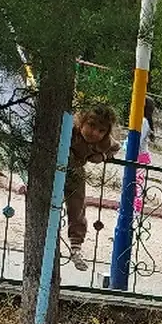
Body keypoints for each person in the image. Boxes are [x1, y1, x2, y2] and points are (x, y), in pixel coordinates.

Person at [63, 102, 120, 271]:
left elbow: (115, 148)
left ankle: (76, 246)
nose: (95, 133)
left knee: (77, 206)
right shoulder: (70, 130)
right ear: (82, 121)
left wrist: (102, 155)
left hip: (75, 172)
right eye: (91, 125)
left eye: (101, 130)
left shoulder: (105, 142)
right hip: (55, 168)